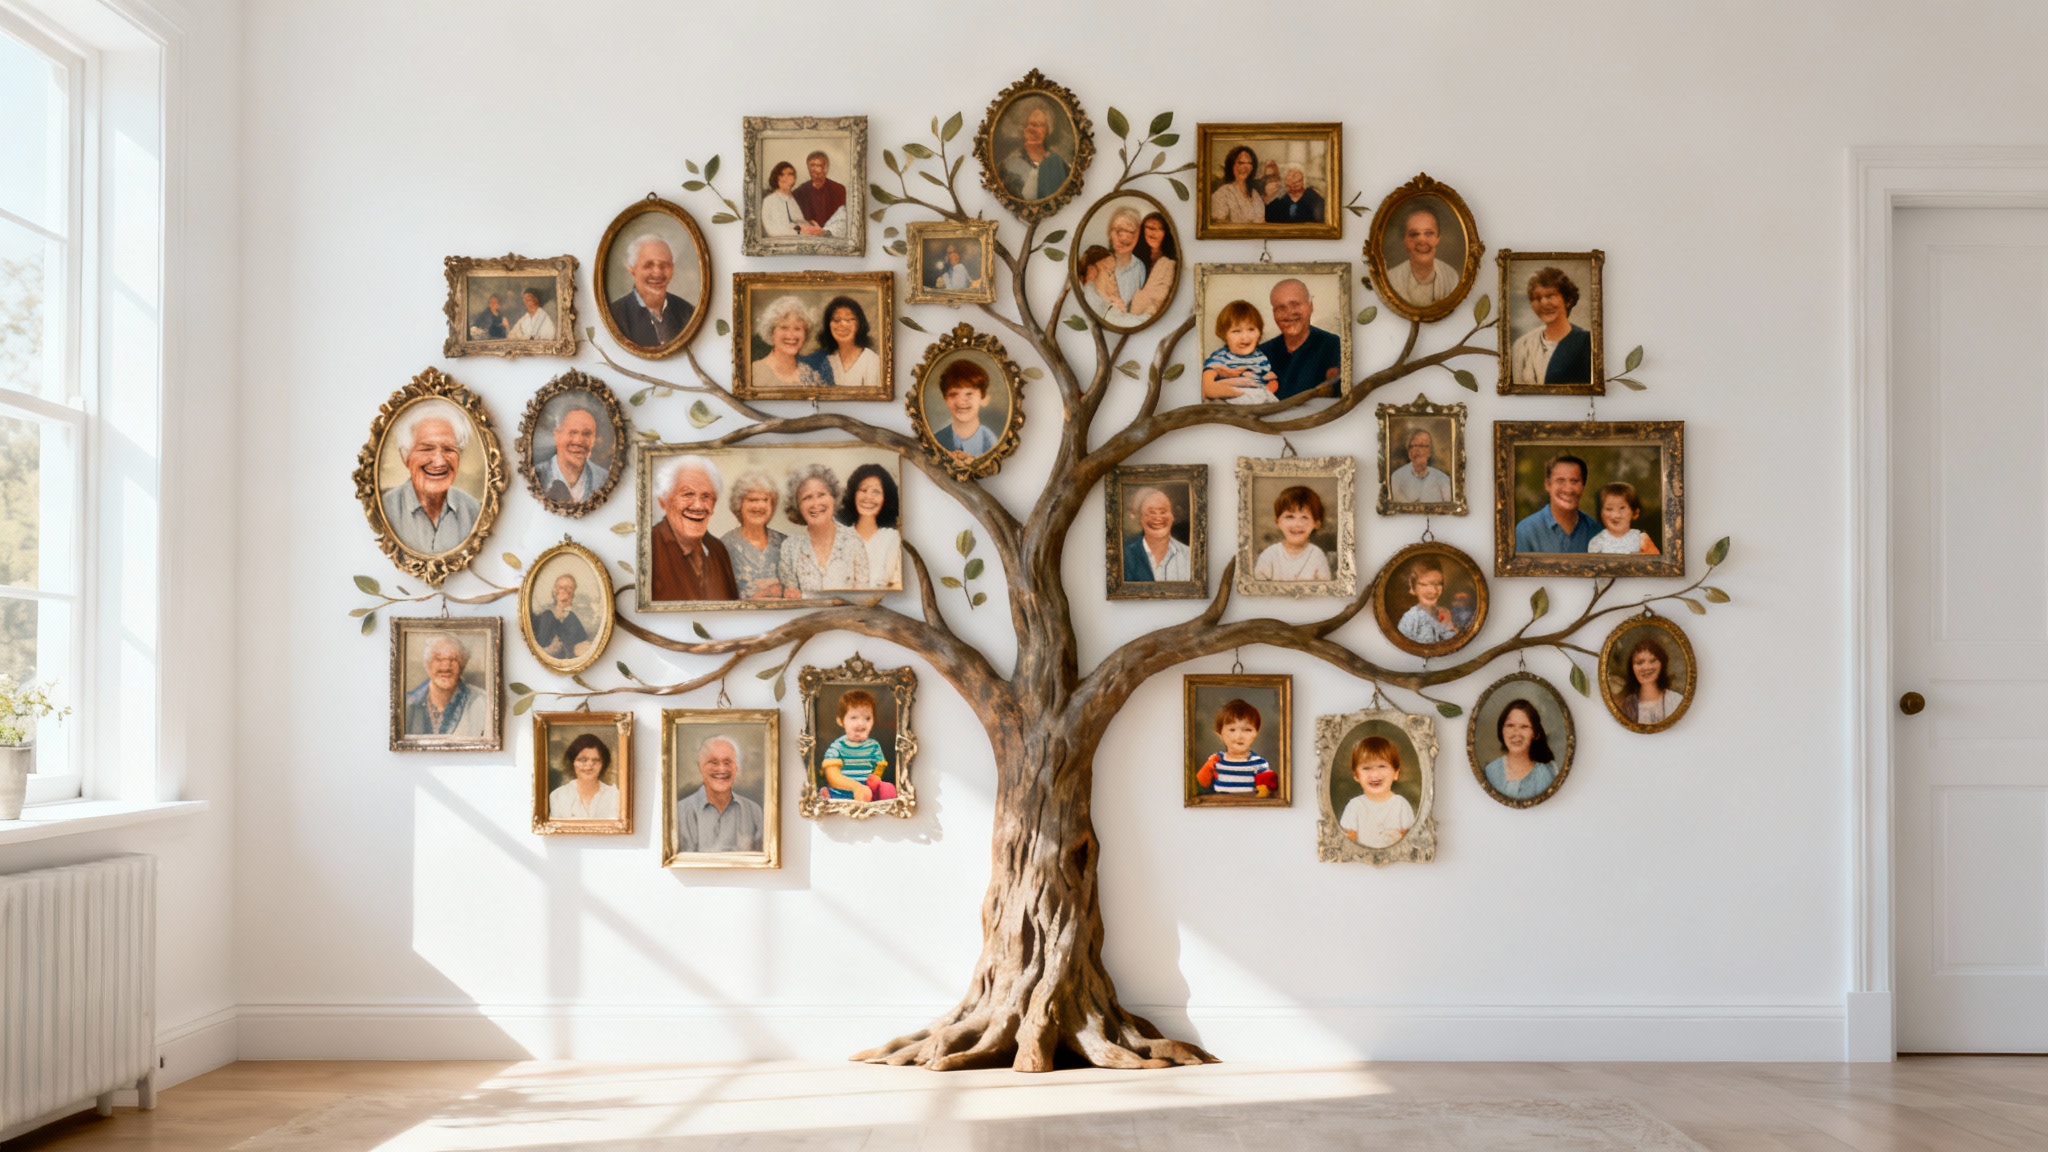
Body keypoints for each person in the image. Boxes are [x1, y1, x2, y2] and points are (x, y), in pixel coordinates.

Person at [381, 400, 479, 555]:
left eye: (448, 449)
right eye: (426, 449)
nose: (439, 462)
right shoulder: (384, 510)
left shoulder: (475, 511)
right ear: (405, 456)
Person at [648, 455, 739, 602]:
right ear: (663, 501)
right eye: (688, 494)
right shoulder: (649, 547)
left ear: (714, 504)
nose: (698, 506)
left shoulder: (718, 550)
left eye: (706, 496)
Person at [777, 463, 869, 595]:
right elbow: (791, 599)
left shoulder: (853, 541)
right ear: (797, 506)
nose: (816, 503)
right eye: (807, 497)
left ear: (834, 498)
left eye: (821, 495)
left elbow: (864, 598)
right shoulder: (790, 548)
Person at [674, 735, 765, 853]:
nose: (722, 769)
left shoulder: (754, 811)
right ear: (700, 766)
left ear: (736, 767)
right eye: (713, 762)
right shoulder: (680, 812)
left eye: (727, 762)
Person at [1259, 279, 1343, 399]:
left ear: (1310, 306)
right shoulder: (1261, 353)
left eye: (1295, 305)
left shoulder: (1334, 346)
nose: (1289, 313)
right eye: (1281, 308)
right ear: (1274, 313)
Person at [1510, 266, 1593, 386]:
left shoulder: (1587, 343)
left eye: (1550, 296)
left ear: (1568, 300)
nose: (1543, 303)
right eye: (1537, 298)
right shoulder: (1522, 346)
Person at [608, 233, 695, 346]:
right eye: (649, 265)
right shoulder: (615, 316)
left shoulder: (688, 312)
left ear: (672, 269)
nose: (657, 272)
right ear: (632, 268)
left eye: (664, 265)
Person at [403, 632, 487, 737]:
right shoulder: (408, 704)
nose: (446, 666)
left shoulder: (481, 701)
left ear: (462, 665)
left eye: (453, 659)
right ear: (428, 664)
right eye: (438, 659)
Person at [720, 470, 787, 600]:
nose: (759, 506)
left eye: (765, 500)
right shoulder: (724, 546)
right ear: (739, 504)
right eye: (752, 500)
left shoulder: (786, 544)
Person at [1340, 735, 1416, 848]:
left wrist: (1399, 837)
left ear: (1396, 773)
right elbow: (1348, 842)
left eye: (1382, 766)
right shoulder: (1355, 806)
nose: (1375, 775)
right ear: (1356, 775)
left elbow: (1411, 840)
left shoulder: (1401, 805)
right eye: (1366, 768)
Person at [821, 689, 896, 802]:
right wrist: (856, 787)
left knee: (887, 789)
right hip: (841, 795)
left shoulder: (874, 746)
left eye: (867, 718)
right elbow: (832, 775)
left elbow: (879, 767)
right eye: (854, 718)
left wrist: (875, 779)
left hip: (867, 796)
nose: (861, 723)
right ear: (841, 721)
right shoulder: (837, 746)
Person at [1514, 453, 1598, 554]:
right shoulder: (1526, 531)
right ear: (1547, 485)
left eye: (1574, 481)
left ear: (1583, 487)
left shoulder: (1594, 531)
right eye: (1560, 481)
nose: (1568, 489)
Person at [1195, 698, 1278, 798]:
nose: (1239, 736)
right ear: (1220, 734)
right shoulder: (1216, 760)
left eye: (1247, 730)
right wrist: (1208, 767)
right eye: (1232, 730)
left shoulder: (1259, 764)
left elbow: (1267, 792)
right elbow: (1203, 783)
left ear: (1256, 733)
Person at [837, 463, 901, 590]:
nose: (869, 497)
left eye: (876, 492)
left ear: (886, 498)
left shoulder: (892, 538)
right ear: (853, 494)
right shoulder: (838, 537)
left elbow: (898, 584)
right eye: (863, 490)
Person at [1202, 300, 1279, 405]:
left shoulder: (1260, 357)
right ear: (1224, 335)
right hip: (1230, 401)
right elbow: (1207, 379)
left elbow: (1270, 380)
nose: (1244, 337)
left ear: (1259, 333)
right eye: (1236, 331)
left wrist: (1268, 388)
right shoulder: (1221, 357)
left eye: (1251, 329)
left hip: (1257, 400)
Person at [1482, 698, 1560, 801]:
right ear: (1501, 730)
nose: (1516, 733)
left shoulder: (1544, 775)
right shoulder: (1491, 771)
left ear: (1536, 734)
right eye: (1510, 725)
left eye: (1524, 727)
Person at [1083, 207, 1150, 322]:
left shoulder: (1140, 267)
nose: (1124, 238)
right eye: (1119, 231)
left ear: (1138, 235)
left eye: (1130, 232)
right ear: (1110, 233)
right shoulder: (1097, 265)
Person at [1254, 485, 1332, 582]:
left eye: (1304, 517)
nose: (1297, 524)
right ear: (1277, 521)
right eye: (1290, 517)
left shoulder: (1317, 556)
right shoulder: (1270, 555)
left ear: (1316, 523)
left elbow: (1325, 588)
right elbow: (1257, 587)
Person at [533, 403, 607, 505]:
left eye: (586, 434)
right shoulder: (536, 476)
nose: (579, 441)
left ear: (594, 439)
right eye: (572, 432)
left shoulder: (604, 479)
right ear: (557, 435)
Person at [1385, 206, 1460, 306]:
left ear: (1438, 238)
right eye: (1414, 234)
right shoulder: (1390, 279)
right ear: (1405, 240)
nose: (1422, 240)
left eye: (1429, 233)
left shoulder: (1451, 277)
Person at [749, 296, 826, 392]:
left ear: (805, 334)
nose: (791, 335)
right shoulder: (755, 373)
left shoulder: (811, 376)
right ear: (771, 332)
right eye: (784, 327)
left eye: (797, 328)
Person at [998, 99, 1070, 201]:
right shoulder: (1008, 164)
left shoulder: (1058, 163)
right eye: (1029, 124)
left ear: (1048, 130)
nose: (1032, 129)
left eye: (1038, 125)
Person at [932, 358, 998, 460]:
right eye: (953, 394)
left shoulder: (991, 442)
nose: (961, 402)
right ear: (945, 399)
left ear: (983, 398)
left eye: (969, 394)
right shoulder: (937, 440)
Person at [1120, 486, 1189, 582]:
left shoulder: (1188, 556)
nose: (1157, 518)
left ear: (1172, 516)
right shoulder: (1125, 556)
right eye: (1151, 512)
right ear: (1140, 519)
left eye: (1163, 512)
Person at [812, 296, 880, 391]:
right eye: (836, 320)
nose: (842, 324)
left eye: (848, 319)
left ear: (859, 324)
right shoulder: (823, 360)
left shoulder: (872, 361)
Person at [548, 733, 620, 820]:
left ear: (603, 764)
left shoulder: (615, 796)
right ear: (572, 763)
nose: (589, 765)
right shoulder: (558, 796)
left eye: (595, 760)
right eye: (583, 760)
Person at [1619, 636, 1685, 725]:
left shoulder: (1677, 700)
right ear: (1631, 667)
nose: (1646, 667)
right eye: (1639, 662)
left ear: (1662, 664)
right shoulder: (1627, 705)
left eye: (1652, 661)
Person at [1397, 558, 1460, 645]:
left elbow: (1451, 641)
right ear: (1413, 587)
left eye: (1438, 584)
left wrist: (1450, 628)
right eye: (1424, 585)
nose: (1433, 591)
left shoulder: (1444, 613)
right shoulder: (1411, 617)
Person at [529, 573, 591, 662]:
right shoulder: (547, 617)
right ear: (555, 592)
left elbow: (582, 642)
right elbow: (539, 647)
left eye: (569, 588)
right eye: (561, 587)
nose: (564, 591)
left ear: (573, 593)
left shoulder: (572, 618)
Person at [1127, 211, 1178, 318]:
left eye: (1160, 229)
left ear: (1166, 232)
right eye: (1150, 228)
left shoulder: (1170, 263)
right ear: (1142, 230)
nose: (1154, 233)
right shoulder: (1134, 259)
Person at [1587, 481, 1660, 555]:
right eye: (1609, 509)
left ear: (1635, 513)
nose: (1616, 515)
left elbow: (1656, 559)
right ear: (1601, 513)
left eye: (1622, 508)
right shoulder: (1596, 542)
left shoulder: (1641, 539)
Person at [1389, 427, 1453, 503]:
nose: (1418, 450)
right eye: (1414, 446)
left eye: (1423, 446)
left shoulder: (1443, 479)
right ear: (1409, 452)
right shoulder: (1397, 477)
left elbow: (1450, 507)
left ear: (1430, 451)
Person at [792, 150, 847, 236]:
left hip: (833, 234)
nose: (817, 170)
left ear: (826, 168)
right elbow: (797, 221)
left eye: (820, 166)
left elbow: (843, 220)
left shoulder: (839, 190)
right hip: (808, 235)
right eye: (812, 166)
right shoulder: (798, 193)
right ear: (808, 168)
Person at [1209, 144, 1266, 224]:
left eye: (1249, 163)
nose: (1244, 167)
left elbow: (1262, 223)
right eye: (1240, 163)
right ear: (1231, 165)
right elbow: (1218, 225)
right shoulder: (1222, 194)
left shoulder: (1255, 195)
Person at [759, 161, 808, 237]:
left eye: (790, 174)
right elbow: (772, 231)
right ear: (776, 178)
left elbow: (800, 222)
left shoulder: (793, 200)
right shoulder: (769, 201)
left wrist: (811, 227)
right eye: (781, 175)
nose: (785, 178)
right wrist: (799, 232)